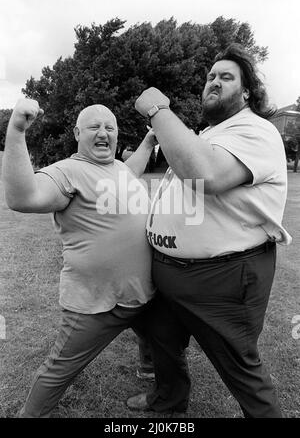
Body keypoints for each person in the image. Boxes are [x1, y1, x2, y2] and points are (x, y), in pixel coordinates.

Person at [127, 43, 292, 418]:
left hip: (223, 278)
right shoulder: (209, 133)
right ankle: (168, 401)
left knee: (240, 368)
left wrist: (157, 109)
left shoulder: (257, 131)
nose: (214, 81)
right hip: (172, 272)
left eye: (226, 77)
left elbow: (207, 175)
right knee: (163, 340)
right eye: (210, 76)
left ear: (247, 91)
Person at [2, 100, 157, 417]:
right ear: (77, 133)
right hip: (96, 303)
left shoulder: (118, 169)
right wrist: (17, 130)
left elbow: (134, 166)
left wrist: (150, 140)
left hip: (142, 293)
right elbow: (23, 197)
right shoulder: (67, 171)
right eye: (94, 127)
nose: (103, 133)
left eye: (109, 128)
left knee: (154, 334)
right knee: (59, 368)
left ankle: (148, 368)